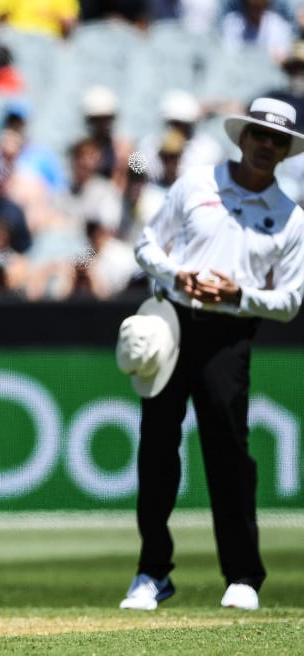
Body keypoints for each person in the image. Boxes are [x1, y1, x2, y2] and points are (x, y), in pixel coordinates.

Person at [118, 97, 304, 613]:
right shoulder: (197, 184)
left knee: (228, 453)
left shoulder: (290, 219)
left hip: (229, 335)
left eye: (278, 140)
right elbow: (147, 245)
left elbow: (289, 301)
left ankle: (243, 574)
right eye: (259, 135)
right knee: (157, 448)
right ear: (242, 138)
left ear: (286, 151)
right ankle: (152, 572)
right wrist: (178, 275)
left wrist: (237, 296)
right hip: (172, 322)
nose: (267, 145)